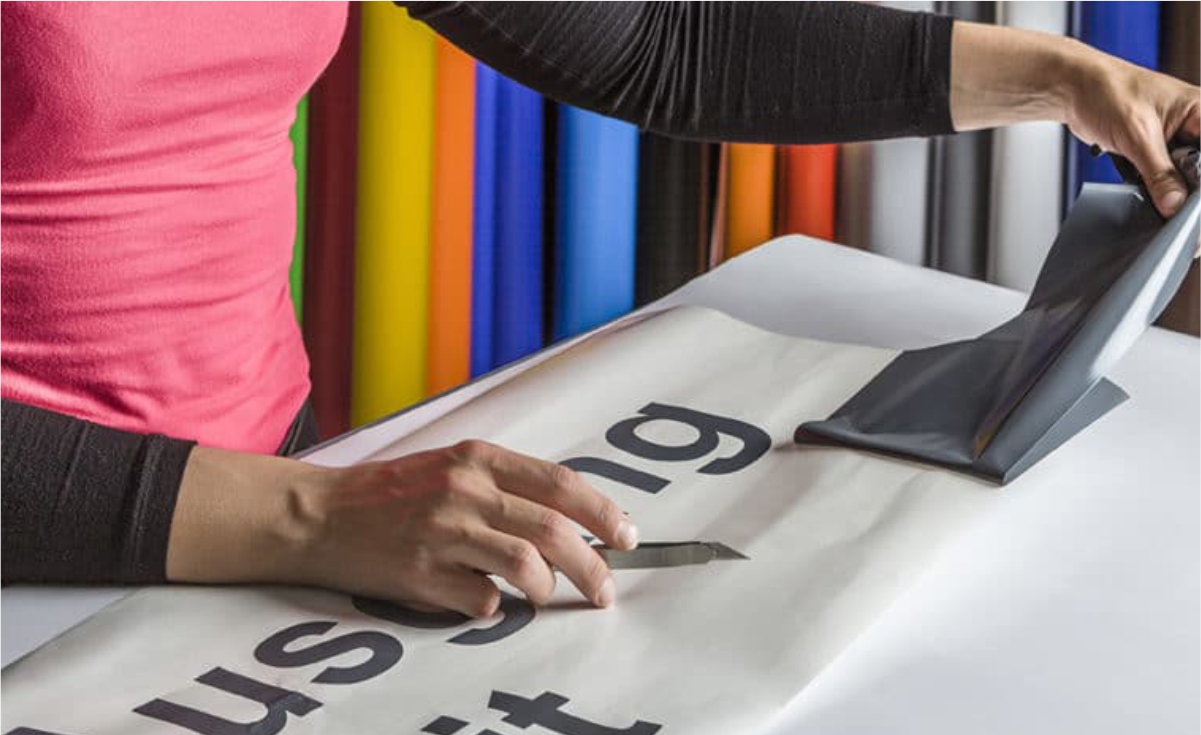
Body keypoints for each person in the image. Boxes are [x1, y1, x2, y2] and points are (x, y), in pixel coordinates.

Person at [3, 2, 1197, 617]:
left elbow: (657, 41)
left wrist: (1060, 78)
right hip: (57, 534)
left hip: (269, 480)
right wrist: (307, 518)